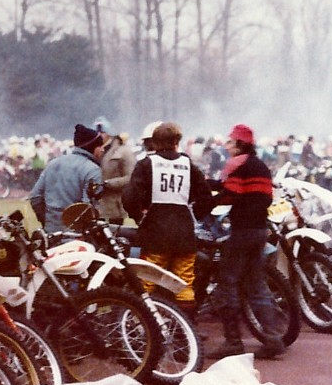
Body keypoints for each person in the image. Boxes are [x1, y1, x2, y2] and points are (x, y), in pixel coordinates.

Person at [205, 123, 286, 360]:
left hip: (241, 231)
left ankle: (233, 341)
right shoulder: (261, 166)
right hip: (260, 230)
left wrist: (205, 202)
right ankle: (273, 338)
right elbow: (265, 197)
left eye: (230, 142)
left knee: (227, 283)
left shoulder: (236, 164)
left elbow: (229, 194)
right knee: (257, 286)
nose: (227, 146)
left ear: (239, 144)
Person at [122, 122, 213, 318]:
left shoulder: (147, 164)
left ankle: (145, 324)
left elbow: (130, 198)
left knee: (148, 280)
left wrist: (138, 216)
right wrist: (194, 211)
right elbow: (206, 196)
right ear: (176, 142)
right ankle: (187, 326)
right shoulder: (188, 164)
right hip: (184, 231)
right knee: (184, 282)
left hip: (155, 231)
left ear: (154, 142)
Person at [28, 124, 105, 233]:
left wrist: (47, 222)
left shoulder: (53, 163)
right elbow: (87, 208)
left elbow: (35, 197)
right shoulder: (93, 170)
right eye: (100, 146)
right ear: (92, 147)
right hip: (78, 237)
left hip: (51, 233)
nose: (102, 150)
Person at [94, 117, 136, 224]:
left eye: (102, 132)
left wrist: (109, 183)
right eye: (96, 132)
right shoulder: (93, 151)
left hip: (115, 207)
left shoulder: (124, 152)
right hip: (96, 207)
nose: (99, 135)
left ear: (109, 133)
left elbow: (131, 177)